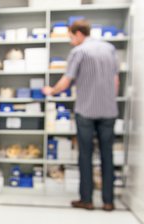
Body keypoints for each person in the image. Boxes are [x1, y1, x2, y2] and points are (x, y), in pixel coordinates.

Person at [42, 19, 119, 211]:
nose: (70, 41)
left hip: (86, 111)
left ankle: (87, 200)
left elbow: (66, 81)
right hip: (109, 110)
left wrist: (51, 91)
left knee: (85, 155)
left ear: (78, 34)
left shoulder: (79, 52)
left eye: (70, 37)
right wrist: (109, 98)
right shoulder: (109, 49)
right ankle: (108, 201)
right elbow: (116, 80)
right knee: (107, 156)